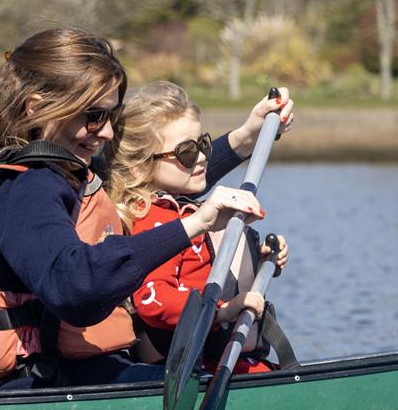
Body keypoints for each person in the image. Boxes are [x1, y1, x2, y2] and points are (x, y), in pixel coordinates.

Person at [0, 27, 276, 390]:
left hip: (92, 371)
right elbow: (74, 286)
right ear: (36, 107)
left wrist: (244, 139)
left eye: (111, 117)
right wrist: (195, 225)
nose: (108, 133)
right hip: (50, 383)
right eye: (94, 116)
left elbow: (147, 172)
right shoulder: (24, 190)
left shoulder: (60, 174)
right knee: (205, 383)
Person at [106, 81, 292, 373]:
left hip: (229, 359)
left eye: (203, 144)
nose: (203, 157)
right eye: (187, 153)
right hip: (192, 367)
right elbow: (154, 302)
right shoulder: (153, 223)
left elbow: (203, 262)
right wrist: (222, 311)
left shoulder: (188, 210)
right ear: (140, 167)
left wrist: (264, 257)